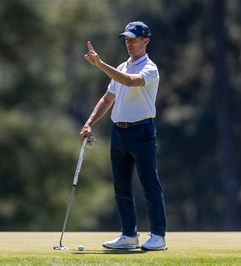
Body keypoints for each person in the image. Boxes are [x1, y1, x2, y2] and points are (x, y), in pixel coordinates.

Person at [80, 21, 167, 251]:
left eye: (133, 39)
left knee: (150, 185)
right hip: (119, 132)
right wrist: (89, 123)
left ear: (145, 41)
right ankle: (129, 235)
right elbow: (108, 99)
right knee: (121, 187)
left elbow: (130, 82)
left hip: (142, 132)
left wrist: (100, 65)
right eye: (126, 39)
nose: (128, 43)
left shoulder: (150, 68)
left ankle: (158, 235)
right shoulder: (122, 66)